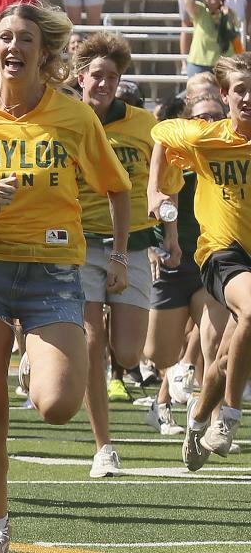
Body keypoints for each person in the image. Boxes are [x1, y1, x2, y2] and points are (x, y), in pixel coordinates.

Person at [0, 3, 131, 552]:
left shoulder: (73, 117)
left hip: (53, 274)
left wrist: (116, 255)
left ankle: (32, 355)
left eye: (24, 39)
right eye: (3, 38)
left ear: (46, 54)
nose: (12, 47)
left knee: (59, 405)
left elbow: (116, 186)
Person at [150, 53, 251, 469]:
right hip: (221, 252)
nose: (248, 97)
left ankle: (196, 421)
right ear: (225, 95)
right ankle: (229, 416)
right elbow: (160, 135)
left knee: (224, 361)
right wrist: (156, 192)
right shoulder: (203, 136)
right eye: (240, 90)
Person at [73, 32, 157, 478]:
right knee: (90, 342)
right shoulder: (64, 118)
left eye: (112, 77)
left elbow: (162, 183)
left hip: (135, 243)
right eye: (97, 76)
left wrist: (168, 237)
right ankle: (103, 446)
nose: (104, 84)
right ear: (80, 78)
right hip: (78, 242)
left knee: (127, 352)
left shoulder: (144, 124)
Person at [144, 92, 229, 436]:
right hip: (175, 260)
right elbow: (158, 201)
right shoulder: (177, 153)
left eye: (215, 116)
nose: (208, 123)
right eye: (201, 117)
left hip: (214, 260)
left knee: (217, 339)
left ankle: (213, 420)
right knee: (158, 352)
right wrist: (157, 246)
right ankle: (162, 398)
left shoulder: (230, 152)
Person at [184, 0, 240, 76]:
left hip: (223, 65)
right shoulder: (199, 11)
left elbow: (234, 35)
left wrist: (228, 17)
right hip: (199, 64)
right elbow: (187, 2)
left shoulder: (229, 13)